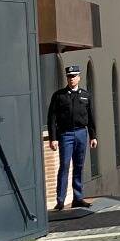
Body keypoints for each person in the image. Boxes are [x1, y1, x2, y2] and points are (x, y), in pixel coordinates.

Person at [45, 65, 96, 212]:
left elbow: (91, 117)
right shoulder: (59, 96)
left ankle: (78, 198)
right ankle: (60, 200)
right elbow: (51, 118)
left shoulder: (85, 95)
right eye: (69, 76)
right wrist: (53, 138)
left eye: (74, 76)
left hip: (81, 133)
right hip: (65, 134)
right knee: (65, 166)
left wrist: (93, 136)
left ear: (79, 77)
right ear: (66, 78)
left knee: (79, 166)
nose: (72, 79)